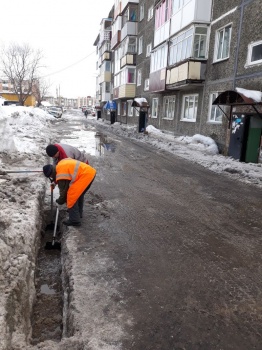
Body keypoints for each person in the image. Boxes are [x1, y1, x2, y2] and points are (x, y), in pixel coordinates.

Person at [43, 159, 96, 227]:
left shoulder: (60, 175)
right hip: (89, 172)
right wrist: (55, 182)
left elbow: (63, 194)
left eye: (50, 176)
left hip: (85, 175)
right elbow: (65, 175)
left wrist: (59, 201)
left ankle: (75, 220)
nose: (51, 178)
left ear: (51, 173)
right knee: (78, 194)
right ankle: (78, 214)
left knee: (71, 196)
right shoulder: (59, 165)